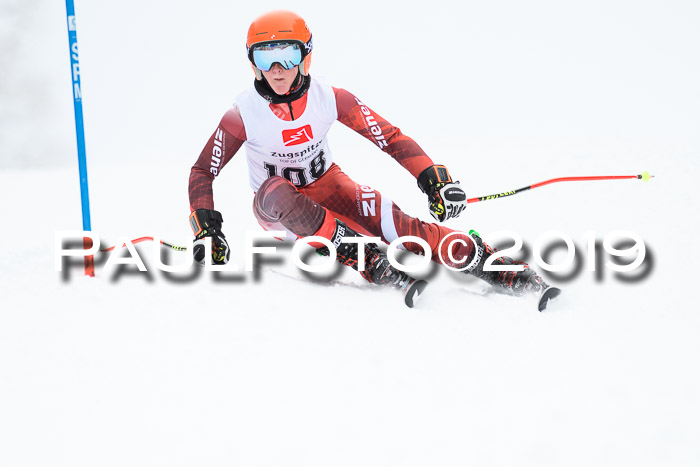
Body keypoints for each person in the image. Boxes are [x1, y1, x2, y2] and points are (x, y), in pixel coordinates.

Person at [188, 10, 557, 307]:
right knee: (274, 189)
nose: (278, 70)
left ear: (306, 56)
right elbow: (203, 170)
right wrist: (207, 228)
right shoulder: (243, 114)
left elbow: (390, 137)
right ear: (253, 63)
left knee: (406, 229)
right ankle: (365, 257)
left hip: (329, 187)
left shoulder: (330, 98)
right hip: (280, 212)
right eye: (266, 58)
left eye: (288, 55)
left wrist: (433, 179)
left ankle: (497, 267)